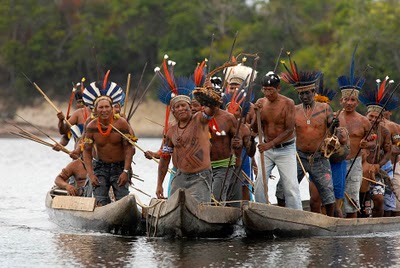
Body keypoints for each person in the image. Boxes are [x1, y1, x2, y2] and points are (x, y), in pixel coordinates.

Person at [277, 58, 336, 216]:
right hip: (298, 156)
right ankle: (280, 216)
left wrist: (334, 123)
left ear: (313, 92)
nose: (304, 96)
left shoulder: (325, 108)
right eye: (301, 93)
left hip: (319, 158)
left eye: (307, 93)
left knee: (328, 193)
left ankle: (333, 222)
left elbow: (332, 124)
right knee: (282, 188)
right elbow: (285, 130)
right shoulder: (294, 110)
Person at [156, 86, 221, 203]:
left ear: (190, 107)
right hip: (180, 176)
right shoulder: (170, 131)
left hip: (200, 177)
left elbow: (210, 112)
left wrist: (210, 101)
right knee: (174, 205)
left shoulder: (199, 120)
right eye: (177, 107)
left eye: (183, 106)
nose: (181, 109)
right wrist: (159, 184)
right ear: (173, 111)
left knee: (198, 207)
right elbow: (165, 158)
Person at [251, 71, 302, 210]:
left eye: (271, 90)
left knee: (290, 185)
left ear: (278, 89)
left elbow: (289, 129)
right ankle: (261, 211)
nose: (268, 93)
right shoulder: (261, 103)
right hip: (266, 150)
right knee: (260, 183)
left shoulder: (288, 103)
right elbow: (254, 128)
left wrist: (270, 144)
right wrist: (257, 113)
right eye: (265, 90)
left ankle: (297, 215)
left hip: (285, 149)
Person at [82, 80, 135, 206]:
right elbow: (87, 151)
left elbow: (130, 149)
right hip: (100, 167)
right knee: (100, 201)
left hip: (120, 167)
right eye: (101, 107)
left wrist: (126, 171)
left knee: (123, 201)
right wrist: (91, 174)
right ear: (95, 109)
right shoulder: (91, 126)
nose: (104, 110)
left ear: (112, 108)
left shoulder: (121, 124)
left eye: (107, 107)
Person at [337, 47, 371, 218]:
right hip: (336, 161)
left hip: (355, 162)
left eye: (353, 100)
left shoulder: (364, 121)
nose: (349, 103)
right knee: (335, 196)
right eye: (346, 99)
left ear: (357, 102)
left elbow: (373, 142)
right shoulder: (334, 118)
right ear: (341, 100)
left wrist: (367, 144)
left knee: (352, 199)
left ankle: (351, 230)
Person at [358, 77, 393, 217]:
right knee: (360, 202)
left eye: (376, 117)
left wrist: (379, 165)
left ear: (381, 118)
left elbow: (389, 151)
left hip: (376, 171)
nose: (372, 119)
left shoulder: (385, 132)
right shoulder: (360, 126)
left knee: (379, 200)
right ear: (366, 115)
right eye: (370, 116)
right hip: (359, 171)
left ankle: (377, 226)